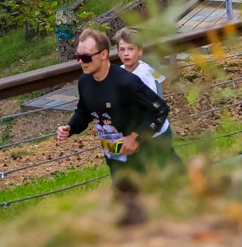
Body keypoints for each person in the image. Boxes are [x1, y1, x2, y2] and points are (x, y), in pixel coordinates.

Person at [56, 28, 180, 181]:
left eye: (86, 57)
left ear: (103, 54)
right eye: (78, 56)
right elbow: (84, 110)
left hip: (151, 147)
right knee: (128, 200)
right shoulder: (84, 81)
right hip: (116, 155)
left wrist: (135, 137)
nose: (81, 61)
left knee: (169, 195)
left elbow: (160, 110)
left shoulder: (126, 82)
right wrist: (71, 127)